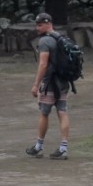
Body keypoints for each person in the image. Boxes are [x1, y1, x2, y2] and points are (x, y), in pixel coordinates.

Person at [26, 13, 70, 160]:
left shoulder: (45, 41)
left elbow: (43, 64)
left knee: (44, 113)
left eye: (39, 25)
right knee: (62, 112)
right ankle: (63, 147)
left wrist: (36, 84)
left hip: (50, 83)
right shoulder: (61, 37)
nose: (37, 28)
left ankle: (39, 146)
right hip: (64, 81)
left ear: (47, 24)